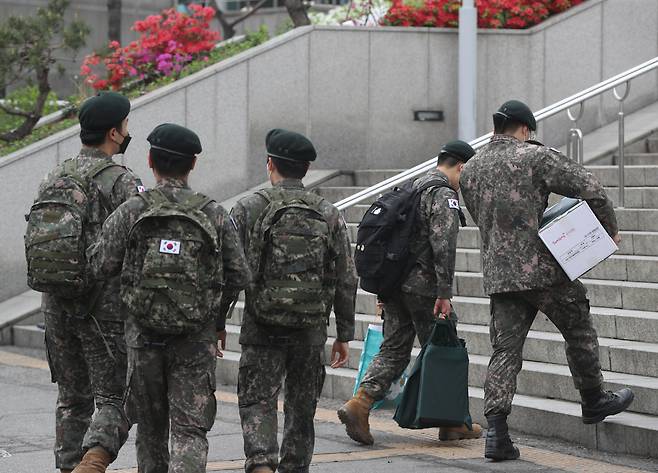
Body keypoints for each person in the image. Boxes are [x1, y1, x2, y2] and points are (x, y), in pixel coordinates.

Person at [459, 100, 634, 461]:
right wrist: (608, 231)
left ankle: (497, 433)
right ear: (525, 129)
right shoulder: (535, 157)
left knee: (505, 351)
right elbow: (592, 189)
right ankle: (594, 399)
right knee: (579, 327)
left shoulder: (472, 167)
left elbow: (483, 218)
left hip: (499, 274)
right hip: (543, 269)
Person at [87, 123, 251, 472]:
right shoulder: (213, 213)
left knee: (150, 429)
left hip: (143, 337)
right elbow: (239, 274)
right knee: (190, 430)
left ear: (150, 160)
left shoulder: (132, 210)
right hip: (195, 339)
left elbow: (100, 265)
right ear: (193, 164)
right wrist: (215, 316)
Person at [223, 128, 357, 473]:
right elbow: (345, 276)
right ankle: (294, 466)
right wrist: (344, 333)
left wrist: (216, 323)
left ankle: (262, 463)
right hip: (310, 328)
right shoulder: (328, 212)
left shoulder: (249, 208)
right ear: (305, 169)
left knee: (257, 400)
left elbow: (229, 272)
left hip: (262, 325)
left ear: (271, 164)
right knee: (302, 406)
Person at [337, 140, 483, 446]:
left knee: (394, 349)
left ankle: (360, 404)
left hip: (394, 283)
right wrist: (444, 292)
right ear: (461, 166)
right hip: (424, 288)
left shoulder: (411, 187)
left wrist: (382, 290)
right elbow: (444, 245)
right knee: (446, 348)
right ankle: (453, 422)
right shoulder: (442, 194)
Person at [26, 92, 141, 473]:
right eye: (126, 125)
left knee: (72, 398)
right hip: (102, 310)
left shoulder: (53, 175)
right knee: (115, 397)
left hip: (56, 303)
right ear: (114, 132)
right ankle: (91, 464)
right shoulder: (121, 182)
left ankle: (67, 466)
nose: (128, 131)